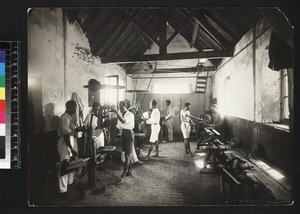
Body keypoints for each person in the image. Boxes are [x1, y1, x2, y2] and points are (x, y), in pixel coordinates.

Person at [57, 100, 78, 197]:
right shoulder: (64, 118)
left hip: (70, 141)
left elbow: (73, 130)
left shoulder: (69, 117)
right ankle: (62, 191)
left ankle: (69, 184)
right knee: (64, 165)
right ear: (69, 107)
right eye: (74, 107)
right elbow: (66, 135)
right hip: (65, 143)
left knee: (71, 163)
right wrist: (71, 149)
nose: (75, 109)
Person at [112, 101, 135, 184]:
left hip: (129, 135)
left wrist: (116, 112)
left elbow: (123, 121)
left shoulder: (130, 114)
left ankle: (123, 175)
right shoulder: (120, 114)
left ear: (126, 107)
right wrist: (111, 139)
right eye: (119, 107)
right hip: (123, 135)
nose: (120, 109)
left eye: (122, 107)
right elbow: (118, 127)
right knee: (126, 153)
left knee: (127, 155)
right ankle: (130, 170)